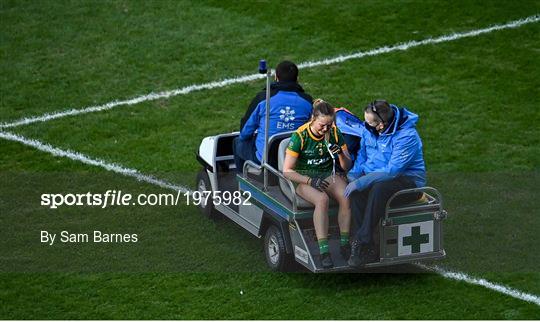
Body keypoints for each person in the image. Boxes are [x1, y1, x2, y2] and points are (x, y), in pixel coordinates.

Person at [344, 100, 426, 267]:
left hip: (408, 182)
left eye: (369, 123)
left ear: (381, 125)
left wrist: (361, 182)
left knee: (378, 188)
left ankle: (361, 241)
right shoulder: (369, 130)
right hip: (375, 178)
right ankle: (367, 247)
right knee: (357, 193)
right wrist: (354, 177)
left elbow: (392, 172)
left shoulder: (407, 136)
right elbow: (362, 156)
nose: (365, 126)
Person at [283, 99, 353, 269]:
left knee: (347, 195)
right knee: (322, 200)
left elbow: (347, 166)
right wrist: (310, 180)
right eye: (322, 125)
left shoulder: (335, 133)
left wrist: (341, 156)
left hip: (327, 175)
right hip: (304, 178)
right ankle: (324, 251)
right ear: (313, 119)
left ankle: (344, 243)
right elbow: (287, 170)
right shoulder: (300, 136)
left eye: (329, 125)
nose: (325, 129)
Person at [234, 60, 313, 171]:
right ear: (297, 79)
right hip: (294, 158)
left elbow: (245, 132)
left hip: (265, 160)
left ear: (276, 77)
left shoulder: (263, 98)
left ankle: (242, 181)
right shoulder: (308, 101)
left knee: (238, 141)